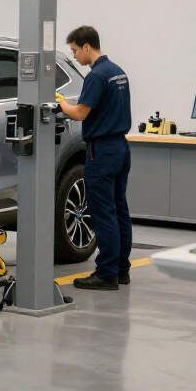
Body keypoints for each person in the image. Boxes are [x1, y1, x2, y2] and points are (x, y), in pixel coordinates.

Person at [57, 25, 133, 291]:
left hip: (100, 150)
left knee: (103, 213)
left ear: (87, 46)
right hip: (121, 148)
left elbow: (79, 113)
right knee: (119, 209)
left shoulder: (97, 75)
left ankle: (106, 273)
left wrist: (60, 103)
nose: (75, 56)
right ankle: (122, 269)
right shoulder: (118, 72)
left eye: (75, 50)